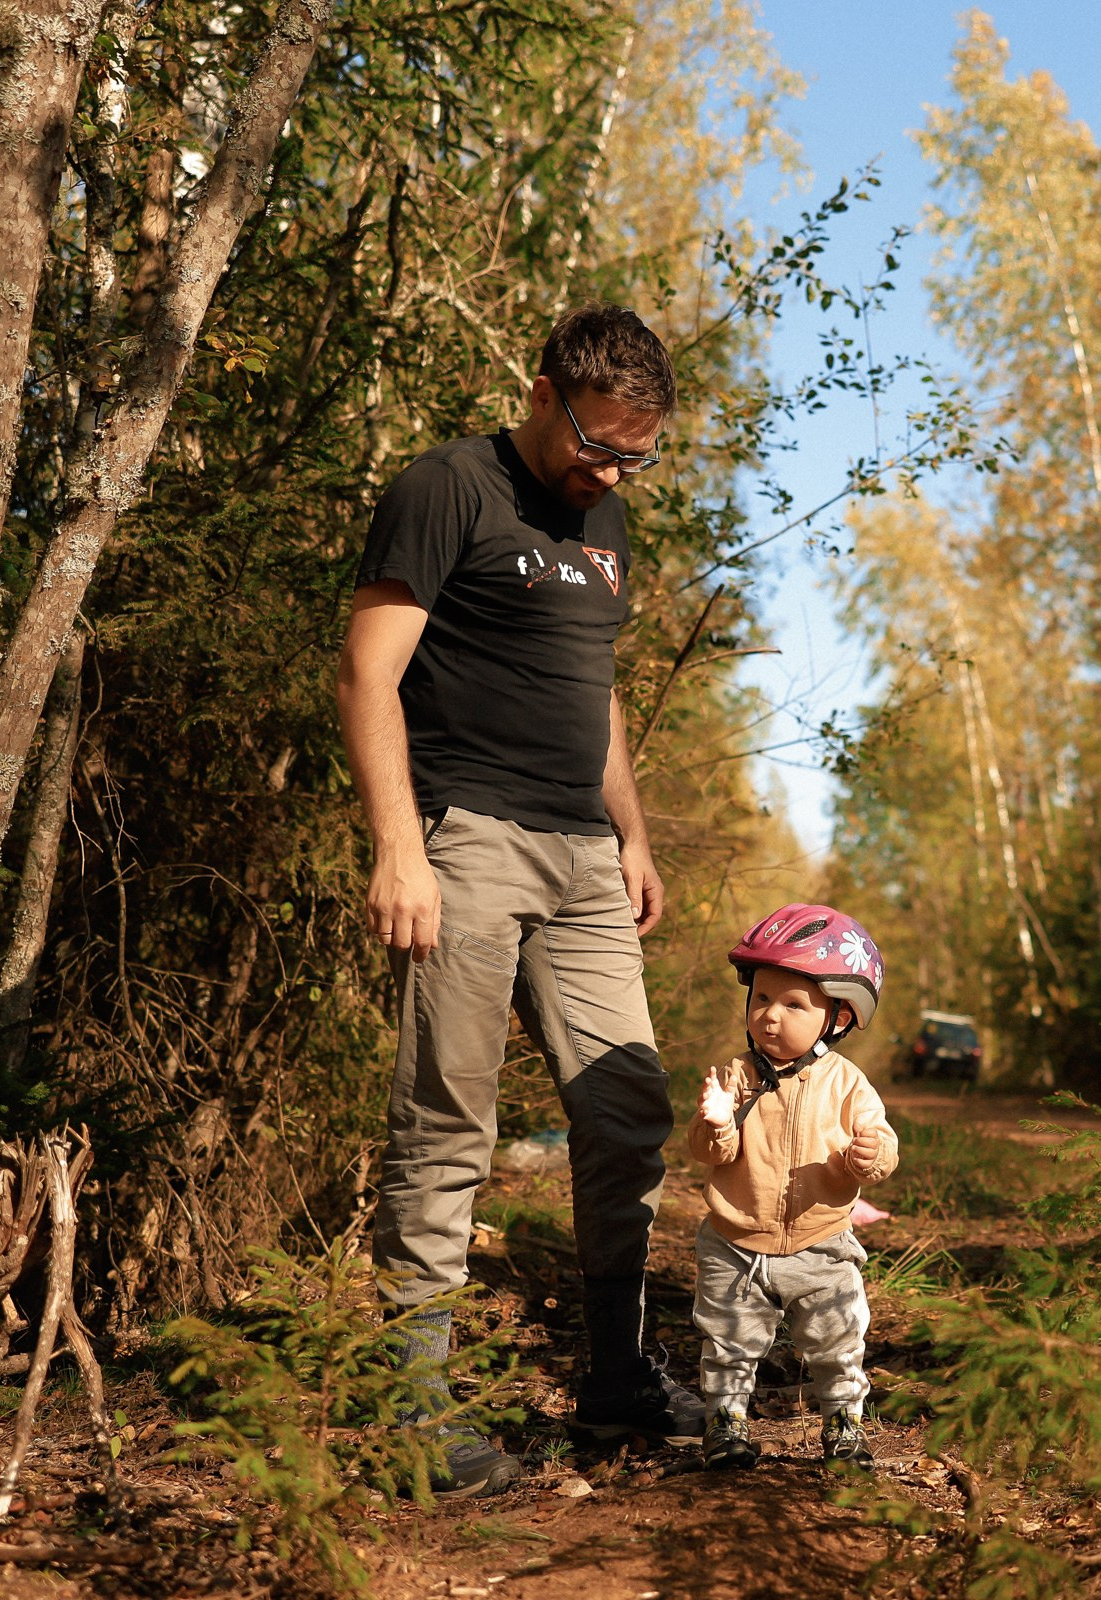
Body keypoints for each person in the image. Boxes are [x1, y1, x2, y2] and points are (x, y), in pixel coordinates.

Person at [339, 305, 701, 1497]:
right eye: (598, 443)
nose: (611, 470)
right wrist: (400, 847)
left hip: (585, 855)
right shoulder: (450, 487)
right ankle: (411, 1412)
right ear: (543, 394)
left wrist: (633, 835)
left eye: (636, 455)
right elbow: (369, 670)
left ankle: (618, 1372)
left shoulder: (611, 522)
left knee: (626, 1104)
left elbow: (589, 691)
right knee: (450, 1116)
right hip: (471, 837)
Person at [686, 904, 899, 1470]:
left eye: (793, 1004)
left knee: (837, 1338)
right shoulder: (737, 1075)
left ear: (839, 1019)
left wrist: (870, 1155)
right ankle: (727, 1422)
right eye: (760, 999)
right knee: (728, 1339)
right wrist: (715, 1124)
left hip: (821, 1241)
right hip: (734, 1241)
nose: (769, 1016)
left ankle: (844, 1423)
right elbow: (710, 1155)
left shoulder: (846, 1084)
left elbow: (881, 1144)